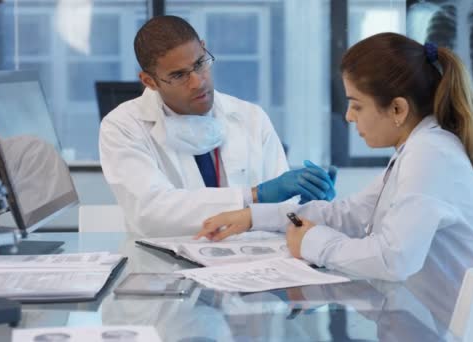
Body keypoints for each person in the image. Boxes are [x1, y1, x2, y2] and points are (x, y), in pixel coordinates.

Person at [196, 32, 473, 318]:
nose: (349, 117)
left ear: (397, 109)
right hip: (424, 321)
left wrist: (313, 242)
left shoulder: (430, 155)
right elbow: (350, 214)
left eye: (356, 105)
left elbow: (393, 260)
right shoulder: (419, 148)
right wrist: (254, 217)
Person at [99, 16, 337, 237]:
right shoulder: (122, 126)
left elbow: (284, 211)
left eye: (200, 63)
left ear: (203, 48)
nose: (198, 82)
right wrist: (254, 195)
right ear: (149, 81)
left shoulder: (251, 117)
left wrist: (310, 204)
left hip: (250, 265)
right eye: (179, 75)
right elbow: (150, 212)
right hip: (165, 267)